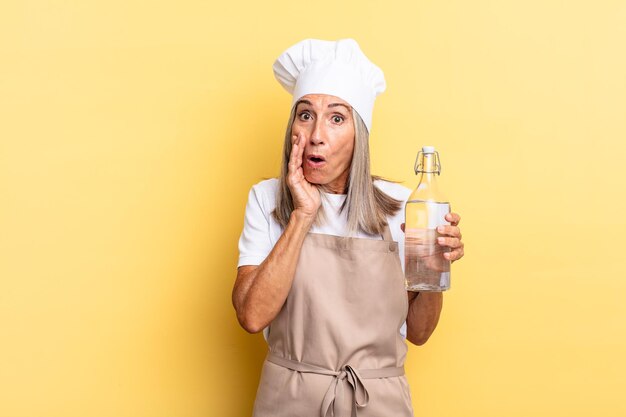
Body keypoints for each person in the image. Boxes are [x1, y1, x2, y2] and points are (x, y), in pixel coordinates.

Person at [232, 39, 465, 417]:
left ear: (360, 134)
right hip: (289, 402)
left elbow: (419, 332)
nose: (316, 134)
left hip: (378, 404)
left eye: (336, 118)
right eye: (305, 115)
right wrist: (303, 214)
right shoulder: (267, 199)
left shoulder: (404, 205)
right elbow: (252, 316)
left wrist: (436, 268)